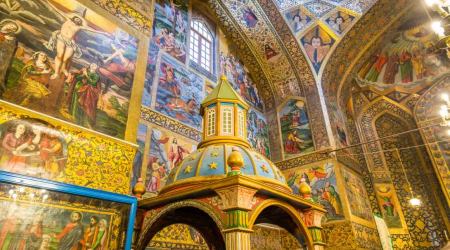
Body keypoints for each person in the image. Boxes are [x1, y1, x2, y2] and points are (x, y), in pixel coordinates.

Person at [43, 4, 110, 79]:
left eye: (79, 19)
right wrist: (47, 2)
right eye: (77, 17)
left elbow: (92, 30)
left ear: (81, 20)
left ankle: (64, 69)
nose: (78, 19)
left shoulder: (80, 26)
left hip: (70, 42)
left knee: (66, 59)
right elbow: (57, 10)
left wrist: (104, 33)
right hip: (61, 38)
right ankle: (56, 73)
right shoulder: (67, 19)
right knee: (59, 55)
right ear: (74, 17)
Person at [66, 63, 101, 128]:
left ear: (97, 68)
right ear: (90, 66)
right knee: (78, 102)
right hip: (81, 89)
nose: (94, 66)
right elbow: (78, 78)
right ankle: (74, 115)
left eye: (95, 65)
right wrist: (82, 74)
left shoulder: (96, 76)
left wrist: (86, 75)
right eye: (92, 65)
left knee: (86, 105)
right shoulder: (85, 71)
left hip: (89, 91)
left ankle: (84, 121)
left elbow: (93, 83)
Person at [0, 19, 21, 95]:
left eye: (14, 29)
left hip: (3, 58)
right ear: (6, 23)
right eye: (11, 26)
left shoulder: (12, 39)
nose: (12, 28)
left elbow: (11, 50)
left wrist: (5, 41)